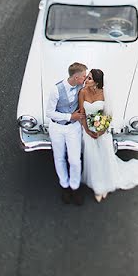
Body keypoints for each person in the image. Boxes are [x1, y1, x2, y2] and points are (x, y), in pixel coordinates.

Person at [79, 68, 138, 202]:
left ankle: (107, 182)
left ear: (97, 82)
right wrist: (87, 130)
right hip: (88, 131)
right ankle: (98, 187)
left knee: (105, 155)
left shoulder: (104, 93)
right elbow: (82, 113)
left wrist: (101, 130)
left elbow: (109, 114)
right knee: (92, 158)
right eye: (87, 77)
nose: (86, 80)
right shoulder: (82, 92)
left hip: (102, 131)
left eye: (90, 78)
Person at [46, 62, 87, 205]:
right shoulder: (56, 90)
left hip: (73, 128)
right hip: (57, 128)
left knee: (75, 160)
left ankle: (75, 187)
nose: (85, 78)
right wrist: (69, 116)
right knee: (59, 158)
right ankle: (64, 186)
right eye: (83, 76)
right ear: (76, 77)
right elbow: (49, 113)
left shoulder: (81, 86)